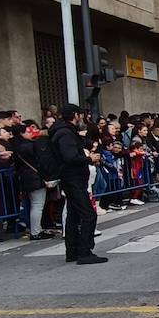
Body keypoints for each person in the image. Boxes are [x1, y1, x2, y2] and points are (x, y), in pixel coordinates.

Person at [50, 105, 106, 264]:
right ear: (75, 115)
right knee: (88, 214)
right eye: (81, 115)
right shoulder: (65, 134)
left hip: (72, 178)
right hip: (73, 178)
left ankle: (72, 251)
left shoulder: (64, 132)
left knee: (74, 216)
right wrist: (90, 159)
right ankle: (84, 252)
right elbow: (70, 157)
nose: (82, 119)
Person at [12, 122, 57, 240]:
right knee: (37, 205)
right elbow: (41, 161)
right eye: (27, 132)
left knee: (34, 204)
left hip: (26, 178)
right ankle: (36, 231)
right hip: (35, 177)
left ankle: (36, 229)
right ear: (21, 133)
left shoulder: (17, 147)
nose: (30, 133)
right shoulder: (30, 146)